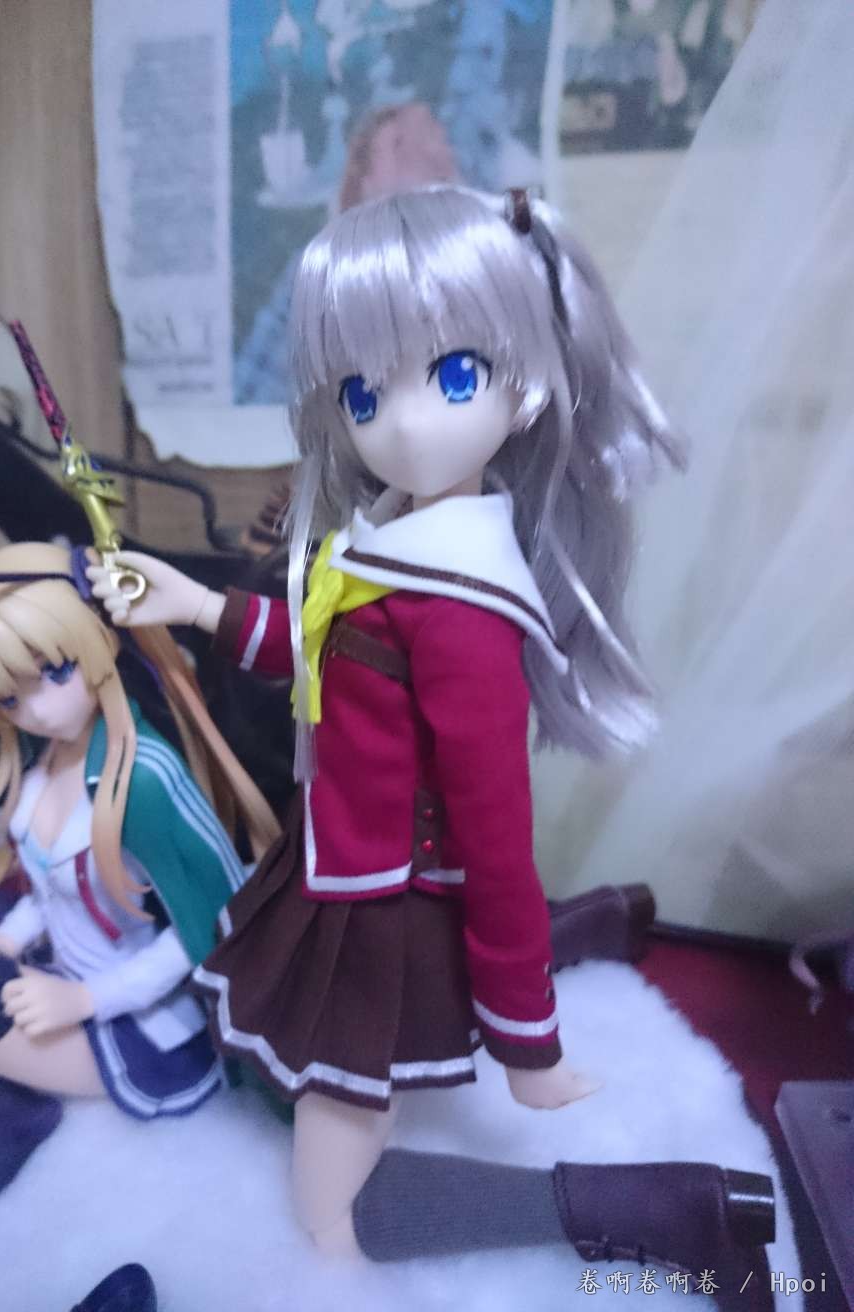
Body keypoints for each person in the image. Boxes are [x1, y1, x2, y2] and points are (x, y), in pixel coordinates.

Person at [91, 186, 774, 1308]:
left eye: (453, 376)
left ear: (526, 383)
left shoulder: (461, 603)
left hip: (382, 898)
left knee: (331, 1168)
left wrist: (527, 1036)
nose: (402, 426)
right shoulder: (395, 540)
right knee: (334, 1087)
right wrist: (196, 602)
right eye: (364, 393)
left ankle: (608, 1212)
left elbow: (497, 834)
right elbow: (321, 651)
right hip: (340, 860)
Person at [0, 541, 247, 1207]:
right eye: (8, 699)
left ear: (95, 638)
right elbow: (48, 889)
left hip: (132, 1010)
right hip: (63, 958)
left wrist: (87, 1001)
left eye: (56, 672)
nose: (37, 710)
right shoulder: (46, 756)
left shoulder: (141, 780)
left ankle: (22, 1102)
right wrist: (9, 939)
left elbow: (213, 927)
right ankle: (19, 1110)